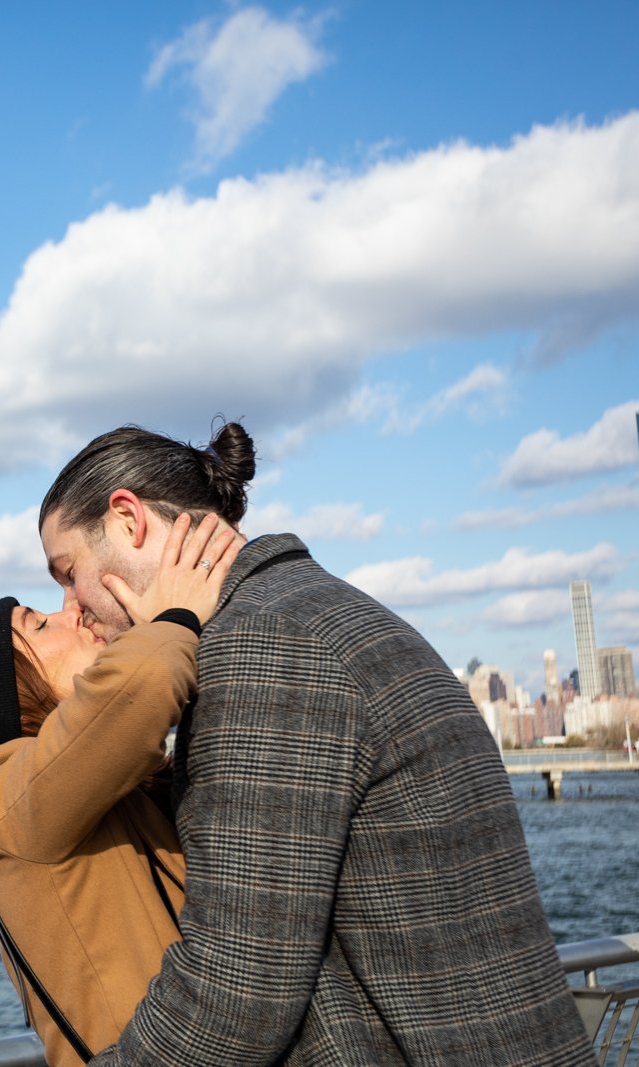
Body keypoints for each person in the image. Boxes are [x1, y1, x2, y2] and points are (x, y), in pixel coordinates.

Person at [38, 422, 591, 1065]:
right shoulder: (322, 609)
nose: (72, 606)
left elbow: (237, 993)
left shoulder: (263, 649)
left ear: (129, 519)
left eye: (67, 571)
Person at [0, 514, 239, 1063]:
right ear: (15, 694)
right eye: (39, 626)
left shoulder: (96, 788)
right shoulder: (4, 794)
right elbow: (140, 687)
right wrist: (174, 616)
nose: (73, 613)